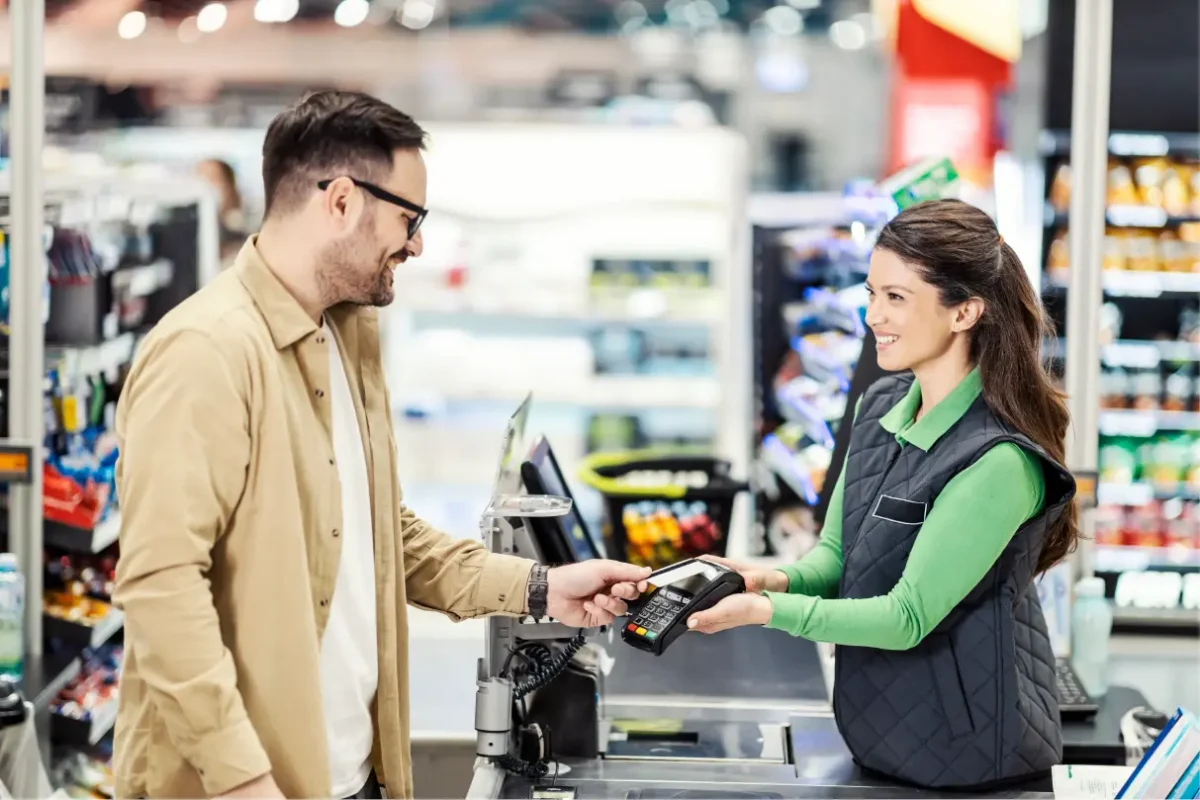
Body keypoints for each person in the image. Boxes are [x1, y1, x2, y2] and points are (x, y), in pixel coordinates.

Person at [113, 90, 651, 800]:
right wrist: (242, 779)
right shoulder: (206, 352)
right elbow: (160, 589)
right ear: (339, 200)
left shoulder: (346, 336)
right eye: (409, 217)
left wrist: (542, 588)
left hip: (350, 776)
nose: (418, 243)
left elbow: (380, 536)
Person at [690, 199, 1078, 791]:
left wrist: (763, 613)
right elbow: (839, 558)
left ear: (965, 312)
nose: (874, 316)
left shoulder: (999, 461)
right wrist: (765, 579)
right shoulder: (880, 409)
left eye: (896, 297)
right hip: (878, 732)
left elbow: (907, 617)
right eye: (871, 293)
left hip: (966, 751)